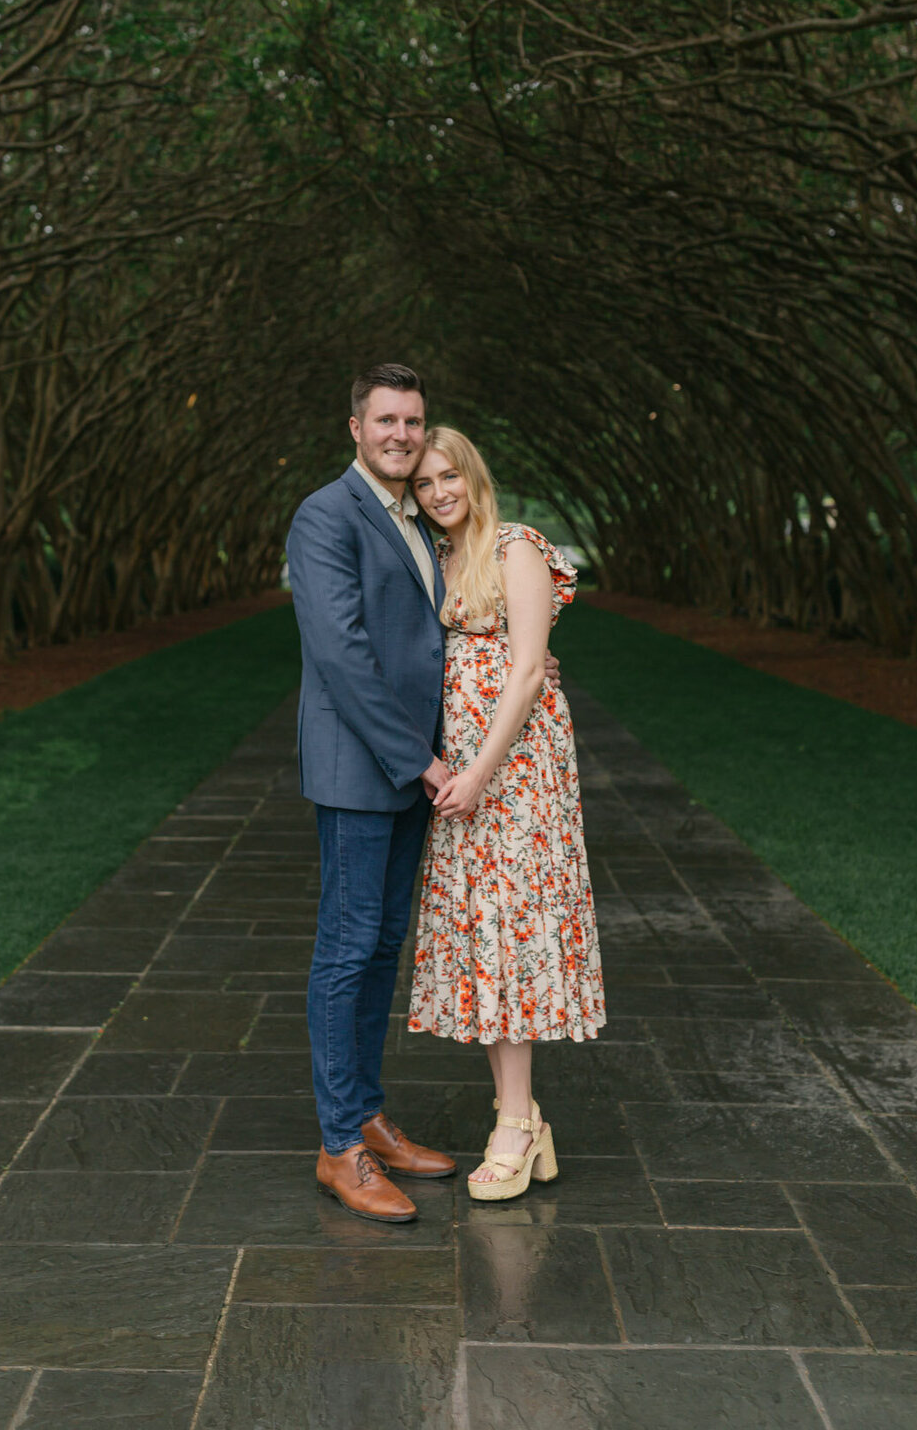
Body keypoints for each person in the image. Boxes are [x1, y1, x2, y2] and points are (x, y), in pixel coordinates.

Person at [286, 365, 560, 1223]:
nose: (402, 435)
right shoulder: (327, 515)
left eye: (414, 420)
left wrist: (523, 658)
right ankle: (339, 1148)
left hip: (415, 772)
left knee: (380, 947)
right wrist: (427, 763)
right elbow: (343, 655)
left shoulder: (420, 520)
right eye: (387, 421)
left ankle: (367, 1118)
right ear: (356, 427)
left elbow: (447, 632)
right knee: (347, 948)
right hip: (370, 769)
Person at [407, 426, 605, 1200]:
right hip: (464, 776)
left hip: (516, 772)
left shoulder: (515, 545)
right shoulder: (437, 558)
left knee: (511, 932)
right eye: (424, 484)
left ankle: (515, 1129)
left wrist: (480, 773)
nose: (439, 492)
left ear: (473, 476)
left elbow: (527, 672)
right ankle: (521, 1118)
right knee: (485, 935)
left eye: (448, 476)